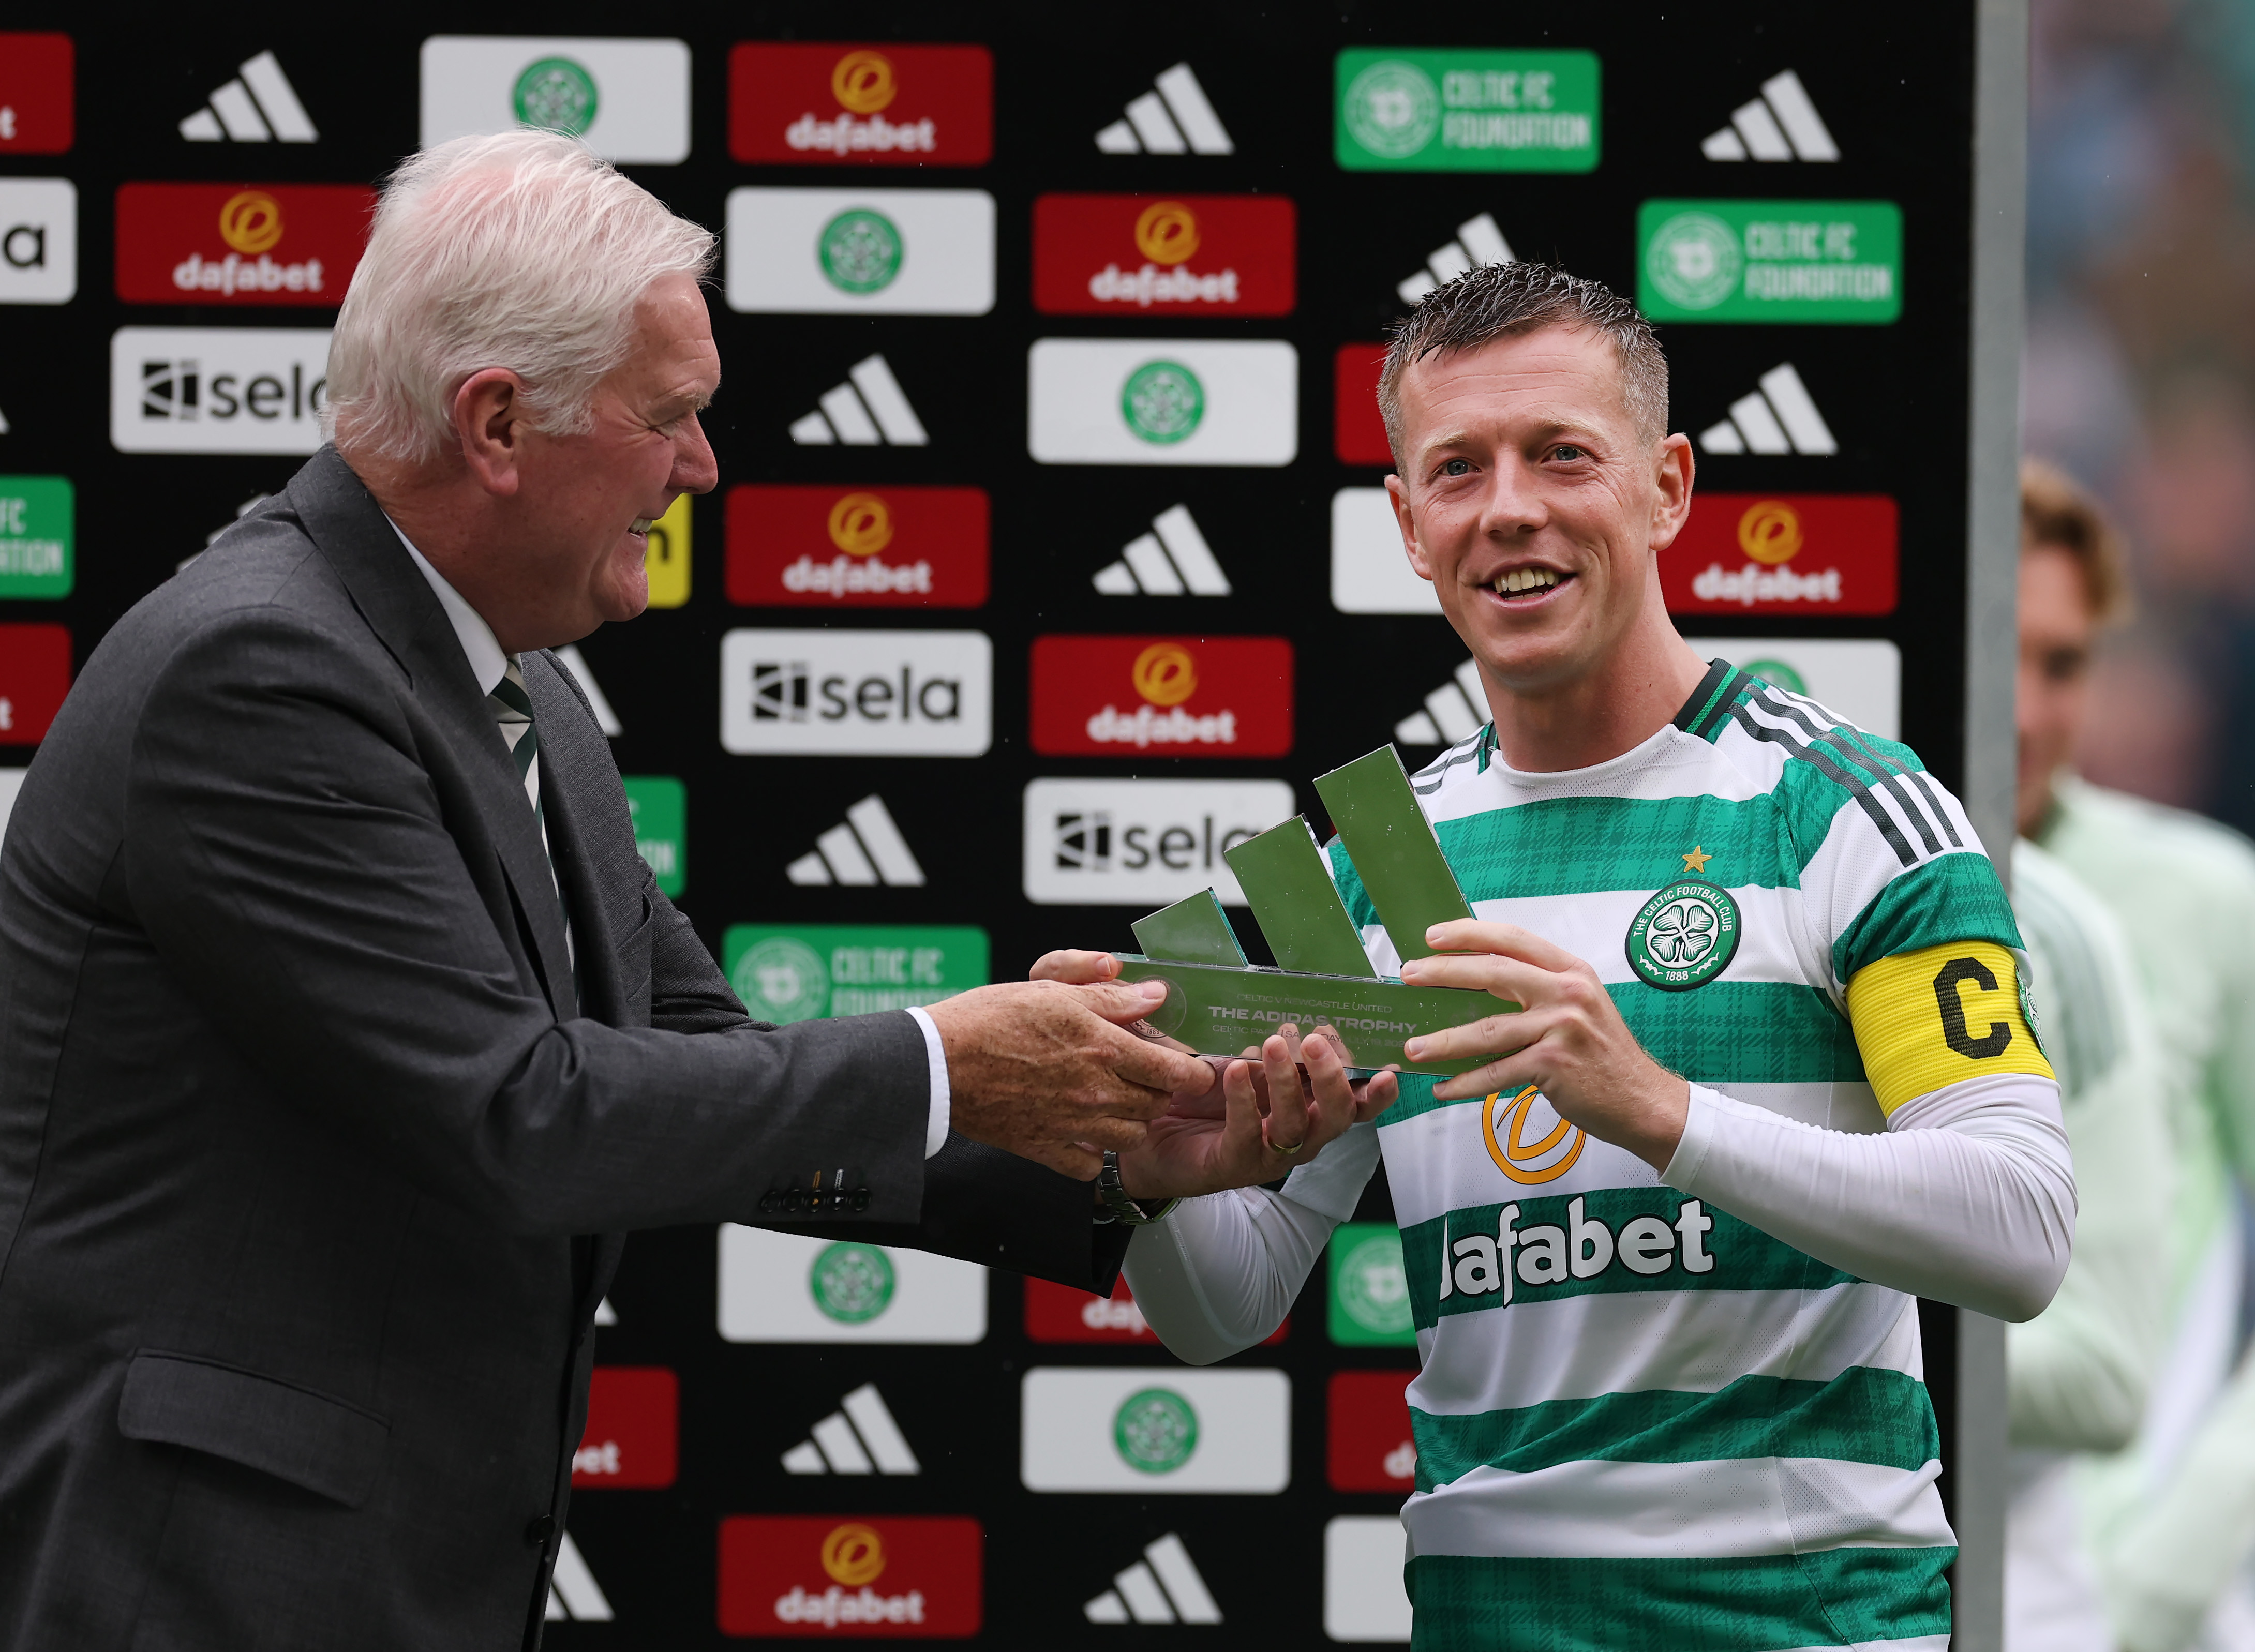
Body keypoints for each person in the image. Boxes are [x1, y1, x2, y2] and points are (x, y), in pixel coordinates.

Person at [0, 132, 1371, 1652]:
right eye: (671, 418)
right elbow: (524, 1119)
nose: (705, 466)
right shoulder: (257, 676)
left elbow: (712, 1094)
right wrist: (948, 1058)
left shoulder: (525, 698)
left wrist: (1117, 1145)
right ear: (499, 422)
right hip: (195, 1579)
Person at [1067, 260, 2077, 1649]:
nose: (1513, 511)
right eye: (1460, 470)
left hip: (1805, 1623)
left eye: (1562, 456)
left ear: (1665, 486)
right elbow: (1228, 1307)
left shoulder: (1838, 806)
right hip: (1485, 1620)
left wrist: (1653, 1108)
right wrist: (1173, 1190)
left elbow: (2020, 1229)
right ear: (1409, 524)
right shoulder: (1372, 864)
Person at [2017, 459, 2255, 1652]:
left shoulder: (2209, 898)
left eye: (2059, 663)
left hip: (2131, 1587)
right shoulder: (1797, 889)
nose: (2019, 707)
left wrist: (2184, 1545)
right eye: (1993, 647)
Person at [2002, 833, 2170, 1652]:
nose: (2021, 709)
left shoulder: (2056, 922)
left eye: (2064, 688)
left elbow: (2108, 1375)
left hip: (2022, 1589)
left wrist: (2165, 1586)